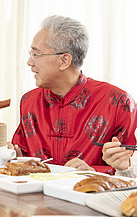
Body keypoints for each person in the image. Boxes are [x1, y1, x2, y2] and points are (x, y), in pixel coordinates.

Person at [9, 15, 137, 174]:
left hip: (89, 195)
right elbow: (22, 153)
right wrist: (15, 155)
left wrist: (92, 171)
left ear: (64, 61)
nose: (29, 62)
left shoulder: (117, 101)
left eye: (36, 54)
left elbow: (129, 169)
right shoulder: (29, 100)